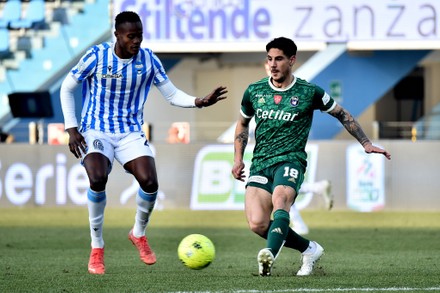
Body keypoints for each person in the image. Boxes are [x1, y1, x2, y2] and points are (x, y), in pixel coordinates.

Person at [60, 11, 227, 275]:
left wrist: (198, 101)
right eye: (131, 36)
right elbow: (67, 87)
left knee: (150, 182)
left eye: (139, 35)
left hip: (129, 132)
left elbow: (171, 94)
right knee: (97, 176)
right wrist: (72, 129)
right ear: (117, 35)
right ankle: (97, 246)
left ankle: (138, 233)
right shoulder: (97, 56)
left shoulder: (148, 61)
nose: (136, 41)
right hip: (95, 130)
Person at [231, 37, 391, 277]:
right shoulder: (255, 91)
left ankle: (268, 257)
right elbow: (242, 124)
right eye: (269, 59)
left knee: (281, 201)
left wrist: (366, 143)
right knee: (258, 224)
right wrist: (238, 158)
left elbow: (342, 114)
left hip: (290, 160)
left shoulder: (309, 92)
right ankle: (309, 249)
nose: (273, 64)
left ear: (292, 60)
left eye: (279, 59)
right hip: (260, 163)